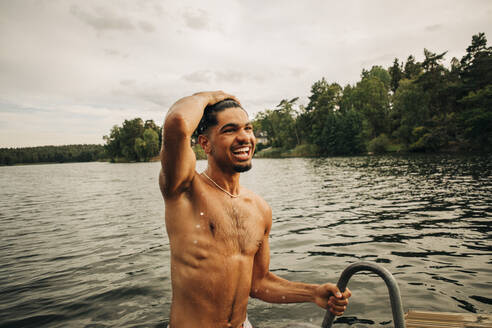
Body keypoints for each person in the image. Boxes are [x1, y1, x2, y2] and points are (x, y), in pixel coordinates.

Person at [159, 91, 351, 328]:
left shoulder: (260, 209)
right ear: (205, 143)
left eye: (248, 129)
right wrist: (209, 96)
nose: (244, 137)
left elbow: (258, 284)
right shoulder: (184, 190)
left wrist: (312, 293)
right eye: (230, 130)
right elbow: (177, 122)